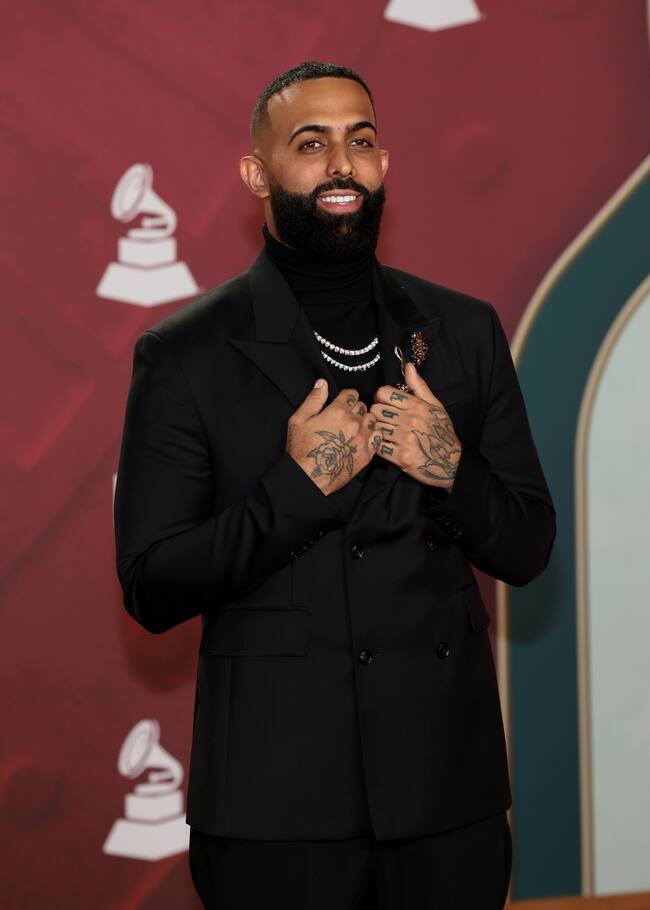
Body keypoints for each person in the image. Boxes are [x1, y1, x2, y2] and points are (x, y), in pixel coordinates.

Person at [114, 61, 556, 909]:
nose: (341, 163)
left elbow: (530, 546)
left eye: (360, 140)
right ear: (259, 173)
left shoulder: (462, 332)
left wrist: (451, 472)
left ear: (383, 164)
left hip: (446, 795)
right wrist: (295, 490)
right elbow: (152, 584)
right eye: (311, 144)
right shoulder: (186, 354)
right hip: (276, 805)